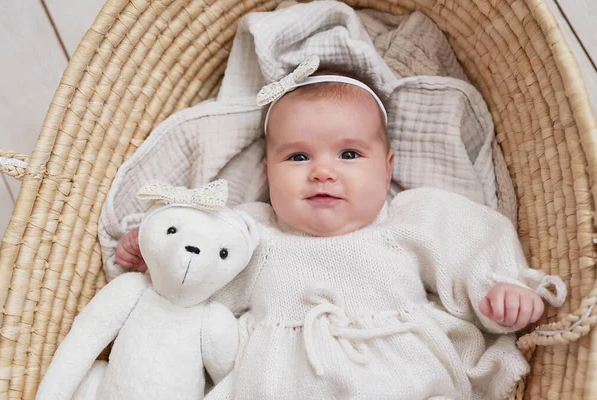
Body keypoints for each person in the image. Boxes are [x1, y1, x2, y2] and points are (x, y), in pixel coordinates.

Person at [115, 57, 566, 399]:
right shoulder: (252, 231)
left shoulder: (409, 218)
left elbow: (471, 244)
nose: (322, 172)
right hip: (280, 382)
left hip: (402, 376)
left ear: (387, 170)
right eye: (298, 157)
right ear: (268, 172)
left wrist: (503, 289)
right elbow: (198, 272)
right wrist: (155, 258)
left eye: (349, 155)